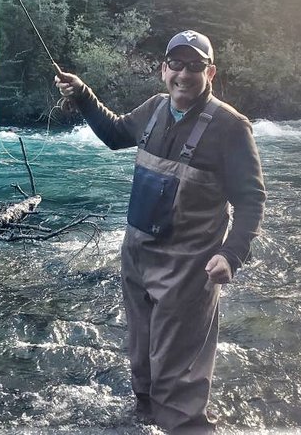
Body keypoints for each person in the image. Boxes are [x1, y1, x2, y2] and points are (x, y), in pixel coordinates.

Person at [55, 30, 266, 433]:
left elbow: (252, 199)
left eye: (195, 66)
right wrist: (82, 94)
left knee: (179, 381)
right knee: (143, 366)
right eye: (177, 64)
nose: (184, 74)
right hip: (136, 256)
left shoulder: (231, 127)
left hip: (189, 269)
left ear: (211, 72)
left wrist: (232, 254)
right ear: (163, 69)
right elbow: (116, 134)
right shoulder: (154, 108)